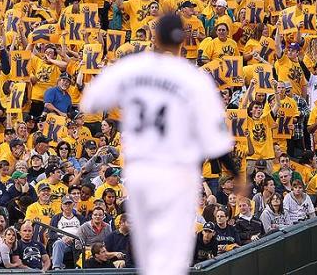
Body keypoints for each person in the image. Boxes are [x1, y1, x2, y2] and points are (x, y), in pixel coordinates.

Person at [80, 14, 237, 275]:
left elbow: (90, 103)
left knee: (147, 254)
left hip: (139, 172)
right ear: (182, 42)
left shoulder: (132, 67)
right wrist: (236, 173)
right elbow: (215, 140)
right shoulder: (192, 78)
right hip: (174, 172)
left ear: (155, 37)